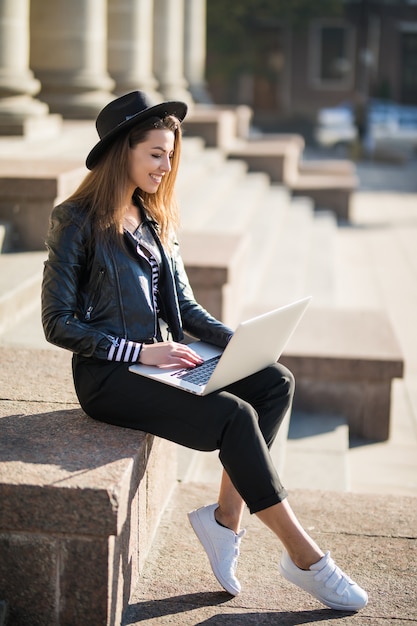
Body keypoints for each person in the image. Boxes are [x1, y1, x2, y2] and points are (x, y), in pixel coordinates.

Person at [41, 91, 368, 612]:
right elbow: (57, 323)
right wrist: (137, 352)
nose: (166, 166)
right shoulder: (74, 220)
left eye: (171, 154)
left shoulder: (152, 219)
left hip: (161, 366)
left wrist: (236, 341)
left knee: (273, 381)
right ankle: (304, 558)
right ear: (121, 152)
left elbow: (187, 309)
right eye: (155, 154)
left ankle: (225, 519)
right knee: (235, 417)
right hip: (109, 377)